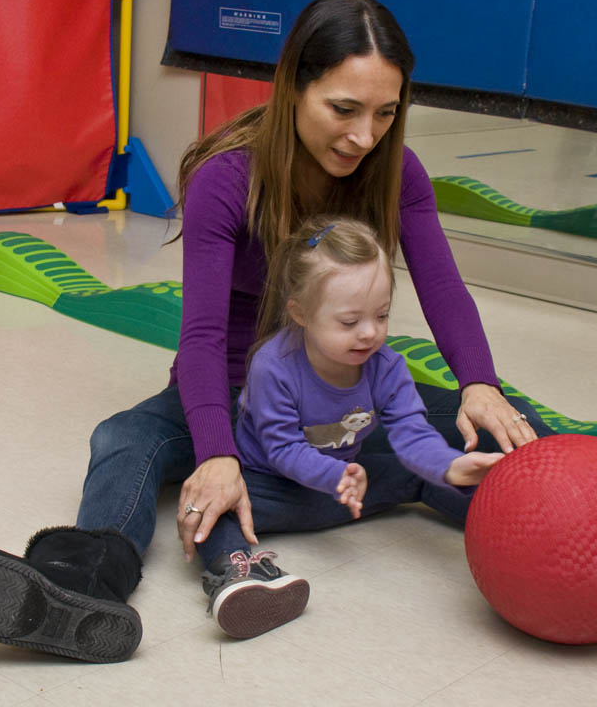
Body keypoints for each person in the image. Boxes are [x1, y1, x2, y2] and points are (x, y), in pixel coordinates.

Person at [0, 0, 597, 663]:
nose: (364, 134)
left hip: (343, 382)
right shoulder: (227, 180)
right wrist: (212, 448)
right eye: (343, 108)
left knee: (504, 422)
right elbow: (202, 340)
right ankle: (83, 584)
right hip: (241, 380)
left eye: (386, 111)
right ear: (294, 85)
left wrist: (479, 381)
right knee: (126, 438)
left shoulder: (395, 173)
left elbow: (445, 292)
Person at [196, 216, 504, 638]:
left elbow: (411, 434)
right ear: (300, 312)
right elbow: (283, 450)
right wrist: (335, 475)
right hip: (271, 485)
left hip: (348, 486)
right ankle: (238, 576)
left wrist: (450, 467)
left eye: (381, 316)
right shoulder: (274, 366)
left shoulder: (387, 366)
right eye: (349, 322)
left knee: (424, 476)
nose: (370, 334)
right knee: (218, 510)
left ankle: (505, 531)